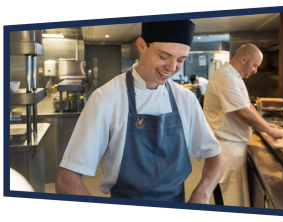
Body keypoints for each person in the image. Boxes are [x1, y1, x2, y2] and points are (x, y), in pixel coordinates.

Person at [55, 19, 225, 204]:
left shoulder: (186, 99)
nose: (171, 67)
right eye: (164, 56)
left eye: (181, 60)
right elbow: (67, 179)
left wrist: (202, 193)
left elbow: (216, 158)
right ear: (142, 45)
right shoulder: (106, 98)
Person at [203, 43, 283, 207]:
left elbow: (248, 106)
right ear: (244, 59)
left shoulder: (234, 77)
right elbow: (243, 112)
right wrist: (269, 130)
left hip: (233, 147)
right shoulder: (225, 77)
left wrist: (266, 125)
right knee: (227, 201)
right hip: (226, 150)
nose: (255, 70)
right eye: (255, 65)